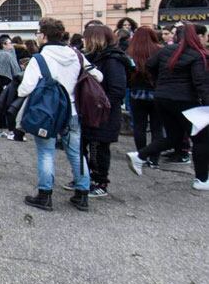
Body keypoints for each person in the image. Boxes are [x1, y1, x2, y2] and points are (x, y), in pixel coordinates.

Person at [19, 18, 102, 211]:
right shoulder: (76, 55)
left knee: (46, 153)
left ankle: (45, 195)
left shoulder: (39, 59)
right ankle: (82, 194)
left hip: (47, 113)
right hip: (72, 110)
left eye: (38, 33)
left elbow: (25, 89)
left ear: (44, 36)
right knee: (76, 152)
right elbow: (98, 76)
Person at [127, 24, 209, 191]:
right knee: (201, 139)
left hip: (162, 98)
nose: (207, 38)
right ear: (197, 36)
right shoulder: (197, 55)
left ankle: (140, 155)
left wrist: (160, 83)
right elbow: (201, 83)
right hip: (186, 102)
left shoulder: (166, 51)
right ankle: (201, 179)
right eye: (206, 35)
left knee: (174, 137)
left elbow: (149, 64)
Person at [78, 25, 130, 198]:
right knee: (83, 146)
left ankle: (100, 182)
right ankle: (84, 178)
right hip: (89, 110)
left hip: (103, 113)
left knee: (99, 149)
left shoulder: (112, 60)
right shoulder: (93, 58)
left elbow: (117, 90)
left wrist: (101, 105)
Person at [126, 26, 164, 169]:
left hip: (137, 93)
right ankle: (154, 159)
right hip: (157, 93)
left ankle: (141, 156)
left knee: (139, 127)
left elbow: (127, 74)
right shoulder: (160, 50)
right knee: (157, 127)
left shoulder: (130, 52)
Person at [0, 35, 22, 138]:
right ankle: (11, 131)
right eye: (9, 43)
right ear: (4, 44)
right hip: (7, 82)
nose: (11, 45)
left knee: (0, 106)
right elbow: (16, 70)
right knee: (10, 107)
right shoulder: (8, 55)